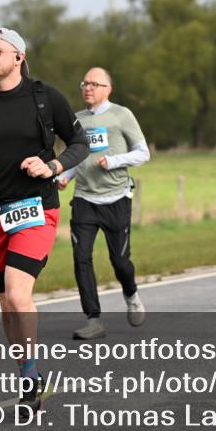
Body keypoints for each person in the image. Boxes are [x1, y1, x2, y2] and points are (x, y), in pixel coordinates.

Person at [0, 28, 88, 419]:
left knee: (18, 293)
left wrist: (53, 165)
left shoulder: (44, 97)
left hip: (35, 207)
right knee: (7, 301)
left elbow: (80, 142)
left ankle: (28, 379)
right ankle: (29, 373)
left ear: (18, 57)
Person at [56, 67, 150, 339]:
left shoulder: (122, 115)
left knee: (119, 261)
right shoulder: (77, 120)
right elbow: (76, 156)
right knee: (81, 257)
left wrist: (114, 162)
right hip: (85, 200)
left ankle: (131, 293)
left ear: (107, 89)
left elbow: (143, 153)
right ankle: (93, 319)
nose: (88, 88)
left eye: (95, 84)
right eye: (84, 83)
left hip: (116, 198)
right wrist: (66, 176)